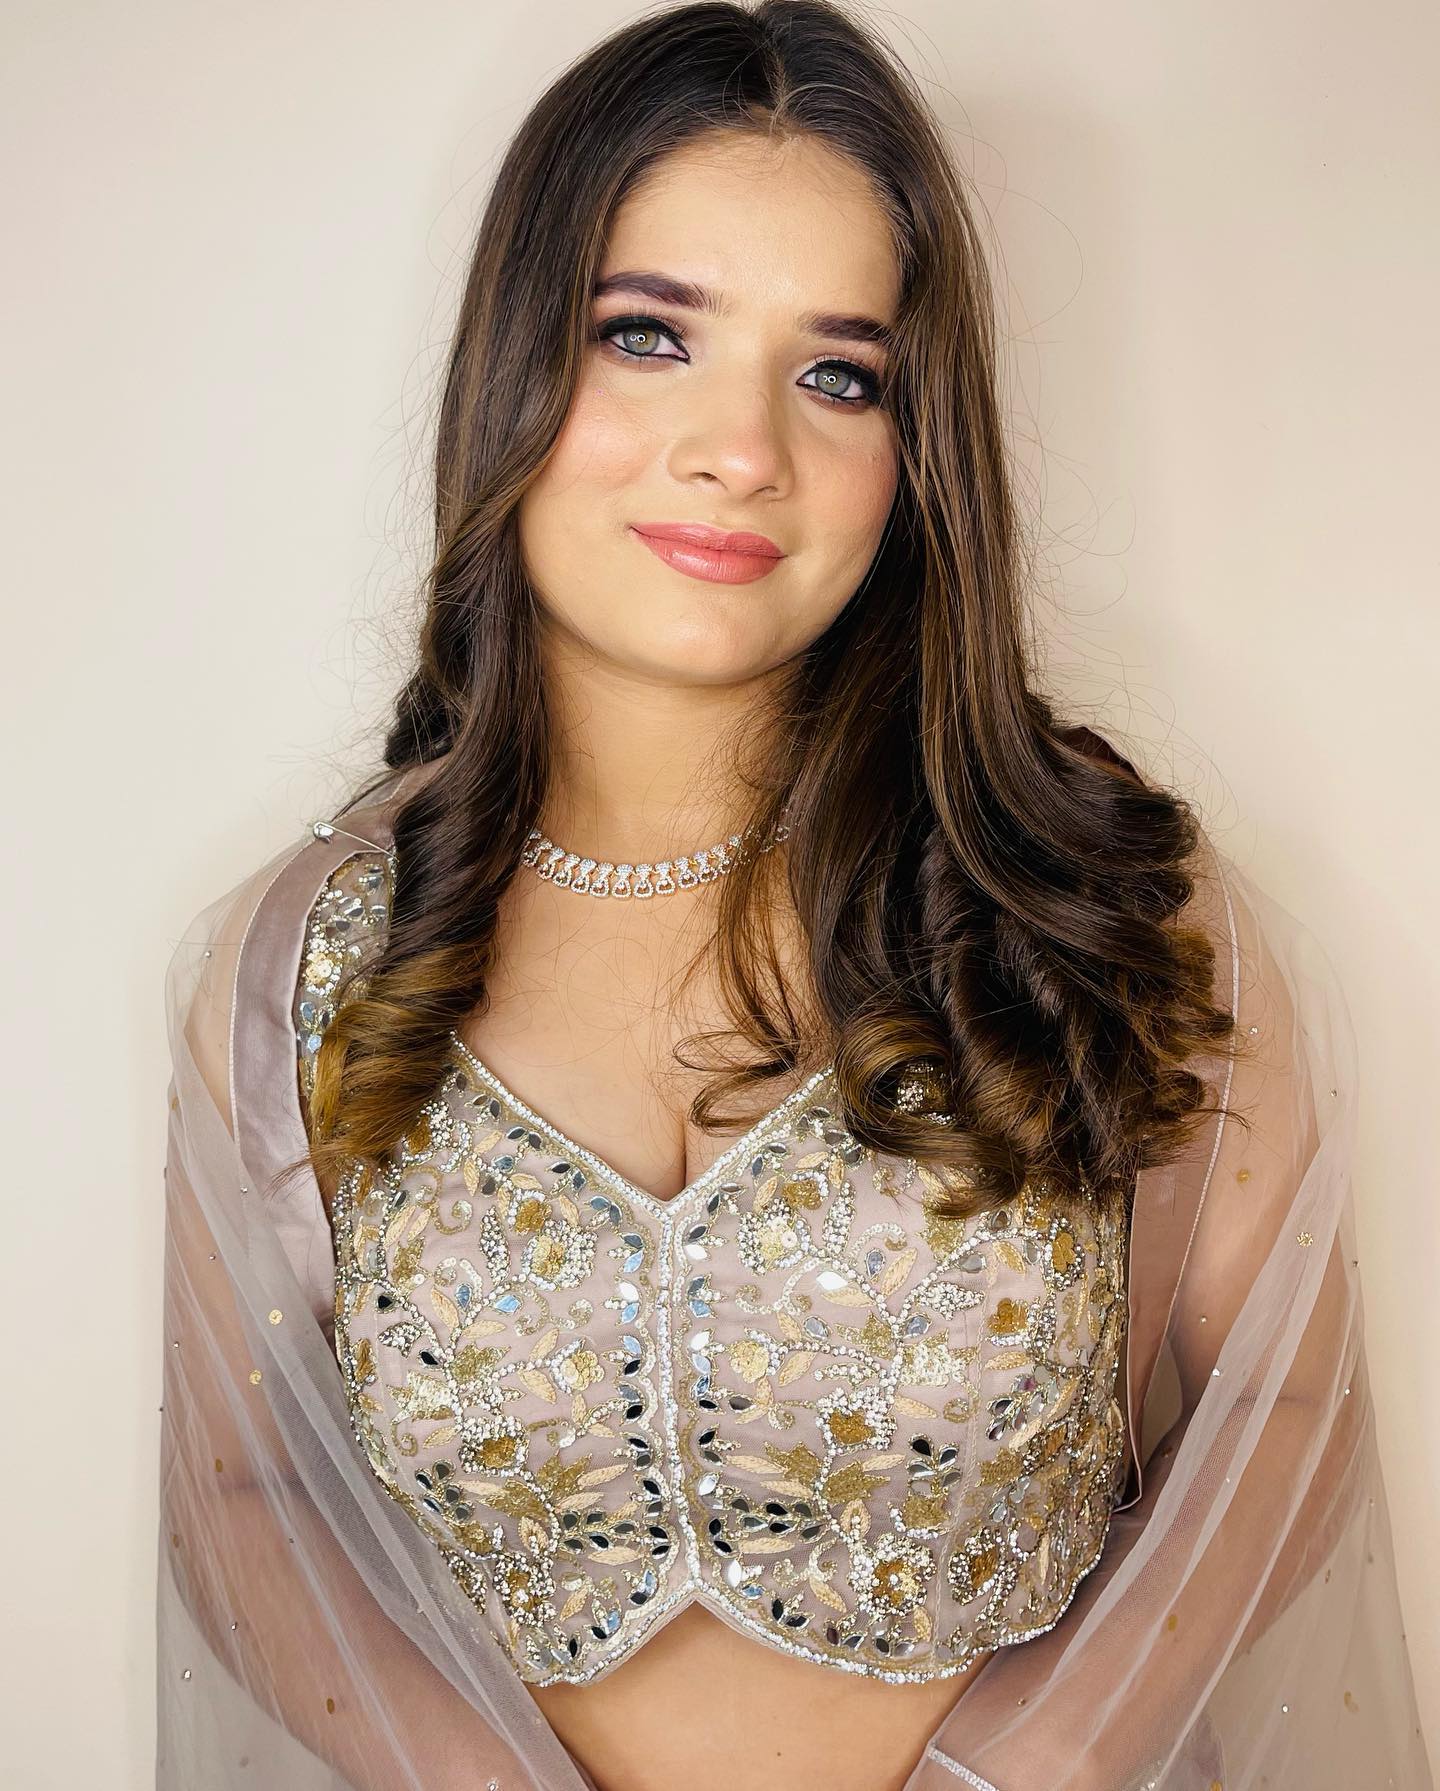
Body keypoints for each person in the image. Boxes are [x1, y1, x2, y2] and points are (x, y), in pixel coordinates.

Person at [155, 3, 1434, 1788]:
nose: (741, 447)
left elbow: (1285, 1405)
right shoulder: (311, 962)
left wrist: (1027, 1771)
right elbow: (235, 1489)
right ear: (515, 365)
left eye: (839, 375)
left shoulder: (1100, 899)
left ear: (917, 449)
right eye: (647, 336)